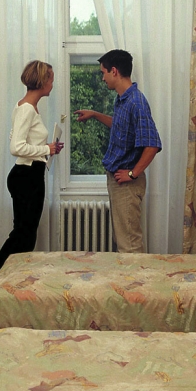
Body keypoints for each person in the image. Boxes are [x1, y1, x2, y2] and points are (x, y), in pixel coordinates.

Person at [0, 60, 64, 295]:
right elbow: (16, 147)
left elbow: (23, 142)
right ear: (42, 81)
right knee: (22, 236)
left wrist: (47, 150)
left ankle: (5, 288)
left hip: (29, 175)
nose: (52, 84)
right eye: (51, 79)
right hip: (27, 177)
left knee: (24, 236)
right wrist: (46, 149)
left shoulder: (26, 107)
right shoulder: (27, 108)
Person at [75, 49, 161, 253]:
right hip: (118, 180)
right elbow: (120, 126)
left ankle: (135, 276)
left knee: (129, 244)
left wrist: (132, 174)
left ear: (114, 71)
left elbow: (152, 144)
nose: (102, 78)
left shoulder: (136, 102)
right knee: (122, 238)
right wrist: (95, 114)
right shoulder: (122, 100)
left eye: (103, 72)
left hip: (127, 184)